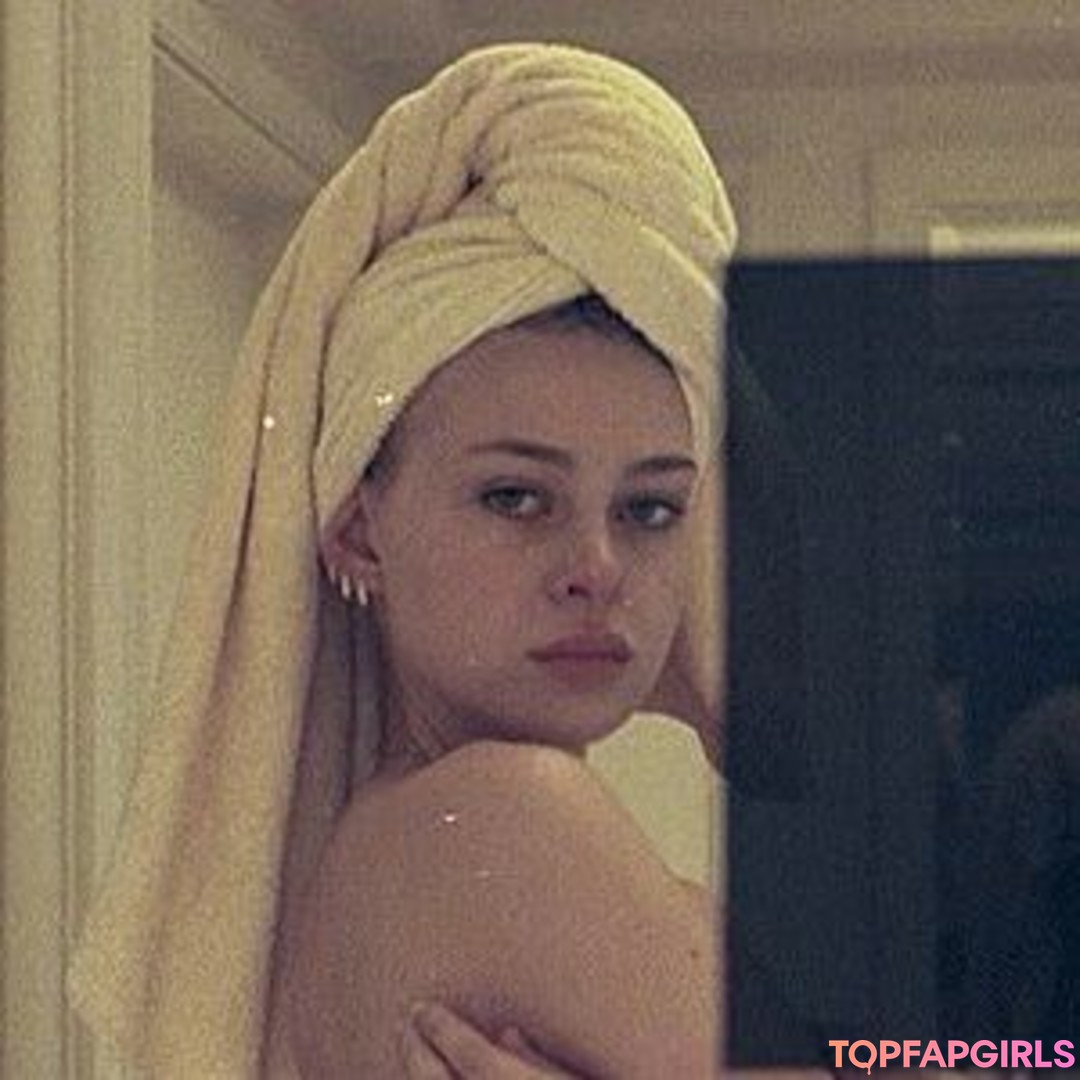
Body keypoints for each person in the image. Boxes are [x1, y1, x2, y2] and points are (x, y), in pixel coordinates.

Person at [68, 42, 756, 1077]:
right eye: (516, 496)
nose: (598, 566)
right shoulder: (505, 817)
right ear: (357, 530)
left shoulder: (391, 843)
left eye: (650, 508)